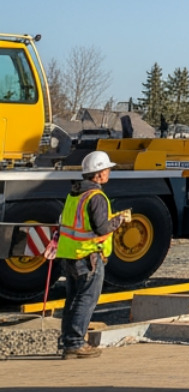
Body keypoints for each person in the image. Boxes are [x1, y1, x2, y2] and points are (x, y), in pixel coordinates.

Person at [57, 150, 130, 358]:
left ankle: (69, 341)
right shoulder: (96, 197)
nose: (109, 173)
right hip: (88, 256)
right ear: (98, 174)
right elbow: (101, 228)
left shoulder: (74, 194)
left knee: (73, 299)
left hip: (71, 255)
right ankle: (75, 343)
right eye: (107, 169)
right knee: (86, 299)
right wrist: (120, 220)